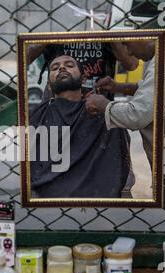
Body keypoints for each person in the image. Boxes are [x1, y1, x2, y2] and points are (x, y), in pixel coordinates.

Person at [29, 55, 132, 198]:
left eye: (69, 65)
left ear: (83, 79)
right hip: (47, 195)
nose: (62, 68)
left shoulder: (102, 111)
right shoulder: (38, 115)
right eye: (55, 67)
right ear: (49, 84)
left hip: (98, 196)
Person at [84, 40, 156, 167]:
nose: (129, 52)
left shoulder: (159, 63)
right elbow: (148, 89)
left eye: (127, 44)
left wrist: (104, 105)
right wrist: (119, 87)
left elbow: (137, 115)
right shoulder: (155, 59)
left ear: (144, 35)